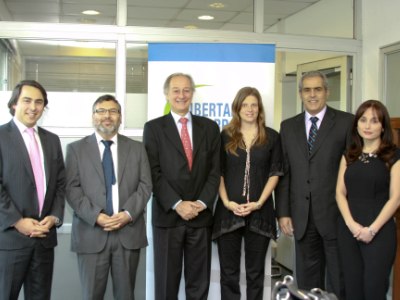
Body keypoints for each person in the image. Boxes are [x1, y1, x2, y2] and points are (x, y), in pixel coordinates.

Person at [65, 94, 152, 300]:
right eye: (101, 111)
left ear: (120, 117)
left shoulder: (137, 149)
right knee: (92, 295)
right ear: (93, 116)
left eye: (113, 111)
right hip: (91, 233)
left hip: (127, 233)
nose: (107, 116)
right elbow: (72, 189)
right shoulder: (76, 149)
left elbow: (145, 185)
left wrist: (127, 214)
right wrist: (97, 216)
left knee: (125, 295)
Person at [275, 70, 353, 297]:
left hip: (336, 216)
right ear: (300, 93)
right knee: (307, 283)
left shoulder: (346, 122)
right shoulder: (288, 127)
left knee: (339, 278)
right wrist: (283, 213)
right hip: (302, 217)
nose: (312, 94)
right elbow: (284, 174)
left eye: (317, 89)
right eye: (307, 89)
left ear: (327, 92)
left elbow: (352, 171)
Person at [143, 73, 220, 300]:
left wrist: (200, 203)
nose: (181, 95)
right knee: (166, 286)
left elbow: (215, 172)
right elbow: (153, 173)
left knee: (199, 285)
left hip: (201, 217)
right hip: (168, 219)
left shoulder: (210, 128)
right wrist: (177, 204)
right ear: (167, 94)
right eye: (176, 90)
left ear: (192, 93)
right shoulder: (154, 129)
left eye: (186, 90)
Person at [212, 87, 283, 300]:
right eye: (245, 105)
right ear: (237, 108)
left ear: (259, 108)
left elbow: (275, 172)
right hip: (228, 213)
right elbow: (218, 172)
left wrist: (260, 202)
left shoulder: (272, 137)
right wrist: (226, 202)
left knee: (256, 274)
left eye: (254, 104)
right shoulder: (224, 136)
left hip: (260, 213)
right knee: (229, 274)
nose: (249, 109)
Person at [0, 80, 66, 300]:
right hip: (10, 239)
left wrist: (54, 217)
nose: (33, 107)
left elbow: (60, 183)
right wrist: (18, 221)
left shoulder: (52, 140)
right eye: (27, 100)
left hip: (44, 238)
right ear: (13, 104)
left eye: (39, 102)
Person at [336, 100, 400, 300]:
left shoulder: (393, 156)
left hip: (380, 232)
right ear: (356, 124)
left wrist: (371, 230)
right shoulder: (349, 155)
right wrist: (351, 225)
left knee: (374, 289)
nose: (368, 126)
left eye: (374, 121)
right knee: (352, 289)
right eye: (363, 120)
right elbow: (339, 193)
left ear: (383, 126)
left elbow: (396, 198)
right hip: (349, 231)